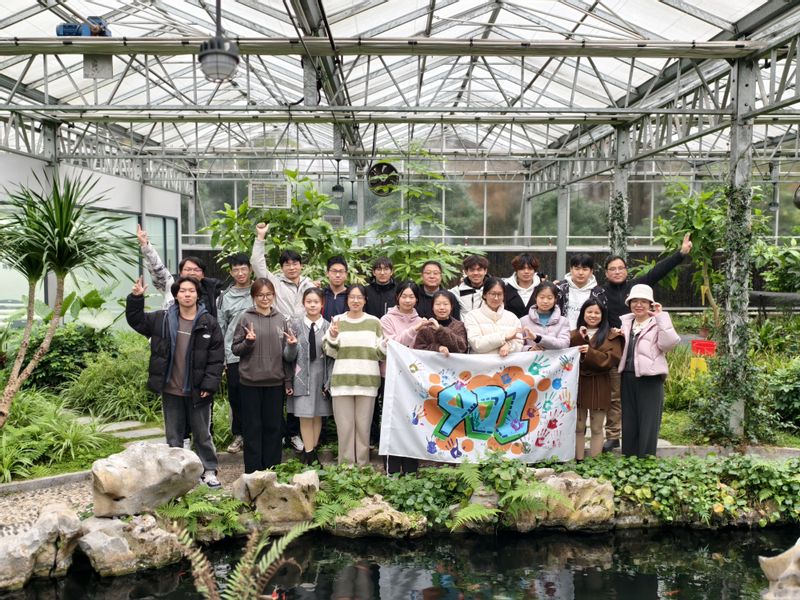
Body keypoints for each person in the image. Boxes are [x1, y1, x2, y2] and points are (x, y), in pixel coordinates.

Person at [126, 275, 223, 488]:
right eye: (182, 291)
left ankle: (209, 470)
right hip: (171, 387)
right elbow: (136, 320)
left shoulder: (208, 323)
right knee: (174, 436)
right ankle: (177, 476)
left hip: (198, 389)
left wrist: (209, 385)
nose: (187, 294)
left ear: (197, 295)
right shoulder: (162, 319)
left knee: (202, 434)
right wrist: (136, 298)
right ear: (176, 295)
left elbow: (216, 358)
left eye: (191, 291)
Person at [600, 233, 692, 452]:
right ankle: (614, 436)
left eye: (620, 268)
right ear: (606, 273)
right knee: (615, 399)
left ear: (626, 270)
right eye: (612, 269)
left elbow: (657, 271)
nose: (617, 272)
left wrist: (680, 254)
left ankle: (644, 452)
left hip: (644, 357)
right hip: (616, 351)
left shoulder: (637, 287)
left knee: (643, 408)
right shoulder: (600, 292)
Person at [250, 222, 314, 453]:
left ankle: (295, 433)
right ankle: (279, 433)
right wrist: (260, 238)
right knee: (279, 386)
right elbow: (257, 264)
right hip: (279, 338)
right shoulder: (275, 282)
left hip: (305, 339)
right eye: (287, 264)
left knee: (300, 385)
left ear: (301, 265)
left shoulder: (309, 284)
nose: (291, 267)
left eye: (295, 263)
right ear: (282, 267)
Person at [231, 278, 291, 473]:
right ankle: (253, 471)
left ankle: (272, 470)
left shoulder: (281, 319)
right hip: (250, 382)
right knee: (252, 428)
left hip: (275, 381)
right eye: (260, 295)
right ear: (253, 297)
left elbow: (286, 354)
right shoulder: (245, 318)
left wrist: (287, 380)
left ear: (273, 296)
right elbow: (235, 349)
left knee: (273, 427)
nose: (265, 299)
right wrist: (248, 342)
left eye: (268, 295)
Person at [323, 285, 386, 466]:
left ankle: (363, 465)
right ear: (347, 299)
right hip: (342, 381)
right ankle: (346, 466)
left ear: (365, 300)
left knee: (363, 427)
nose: (356, 301)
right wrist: (333, 336)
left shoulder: (374, 322)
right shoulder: (337, 320)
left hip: (367, 381)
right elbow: (329, 351)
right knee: (345, 427)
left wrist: (385, 346)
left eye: (360, 297)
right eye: (352, 297)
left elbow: (380, 354)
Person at [618, 284, 680, 458]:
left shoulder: (657, 323)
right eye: (635, 301)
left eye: (643, 301)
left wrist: (661, 318)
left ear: (650, 304)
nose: (639, 305)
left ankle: (646, 460)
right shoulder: (626, 323)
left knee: (649, 422)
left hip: (651, 379)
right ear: (629, 303)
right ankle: (629, 459)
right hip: (627, 376)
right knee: (629, 421)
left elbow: (669, 344)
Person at [380, 281, 427, 475]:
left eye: (412, 296)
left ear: (417, 299)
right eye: (404, 296)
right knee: (392, 419)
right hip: (391, 376)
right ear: (397, 297)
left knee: (413, 418)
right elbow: (392, 344)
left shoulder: (421, 320)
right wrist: (414, 330)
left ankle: (410, 466)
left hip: (413, 379)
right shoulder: (386, 319)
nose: (408, 300)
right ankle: (391, 467)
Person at [284, 288, 333, 466]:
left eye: (316, 302)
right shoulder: (294, 326)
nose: (312, 305)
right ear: (303, 304)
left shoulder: (329, 327)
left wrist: (329, 381)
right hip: (301, 378)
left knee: (318, 415)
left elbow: (332, 357)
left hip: (321, 377)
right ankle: (311, 455)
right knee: (305, 416)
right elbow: (288, 357)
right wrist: (291, 346)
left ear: (322, 304)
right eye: (309, 301)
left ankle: (310, 451)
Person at [569, 299, 623, 459]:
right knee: (579, 427)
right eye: (589, 312)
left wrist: (590, 352)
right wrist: (580, 337)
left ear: (603, 315)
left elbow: (611, 359)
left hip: (601, 384)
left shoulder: (612, 335)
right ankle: (578, 460)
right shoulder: (573, 334)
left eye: (597, 312)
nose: (593, 315)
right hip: (579, 384)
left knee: (597, 427)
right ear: (583, 314)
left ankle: (594, 462)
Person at [136, 224, 222, 317]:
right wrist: (145, 246)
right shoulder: (170, 284)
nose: (192, 272)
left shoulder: (213, 290)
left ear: (203, 274)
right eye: (187, 269)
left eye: (196, 270)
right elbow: (157, 268)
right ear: (180, 273)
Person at [216, 253, 253, 455]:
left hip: (258, 354)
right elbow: (221, 328)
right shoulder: (224, 297)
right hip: (233, 355)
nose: (240, 273)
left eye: (243, 268)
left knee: (257, 396)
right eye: (236, 270)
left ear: (250, 269)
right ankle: (239, 435)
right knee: (236, 396)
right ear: (231, 272)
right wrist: (222, 358)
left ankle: (256, 434)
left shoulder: (259, 290)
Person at [463, 277, 523, 356]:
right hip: (480, 363)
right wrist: (504, 337)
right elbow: (476, 344)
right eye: (492, 294)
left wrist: (509, 346)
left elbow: (519, 343)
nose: (496, 298)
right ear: (484, 295)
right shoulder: (472, 316)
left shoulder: (512, 317)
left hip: (506, 363)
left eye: (499, 294)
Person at [556, 254, 605, 330]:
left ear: (591, 271)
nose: (580, 273)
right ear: (571, 269)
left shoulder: (599, 293)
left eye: (585, 269)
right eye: (577, 269)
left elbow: (603, 318)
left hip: (588, 334)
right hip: (560, 333)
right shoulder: (560, 288)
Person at [413, 290, 468, 357]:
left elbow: (462, 348)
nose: (442, 307)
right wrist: (437, 348)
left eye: (445, 304)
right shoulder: (426, 327)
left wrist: (440, 330)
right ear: (432, 307)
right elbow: (418, 349)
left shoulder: (459, 325)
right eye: (438, 304)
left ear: (451, 307)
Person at [520, 281, 571, 351]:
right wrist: (529, 349)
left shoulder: (563, 321)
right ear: (535, 297)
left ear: (555, 299)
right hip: (532, 358)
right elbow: (518, 345)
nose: (545, 301)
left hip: (554, 358)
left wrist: (538, 338)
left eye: (549, 298)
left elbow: (564, 344)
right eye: (542, 297)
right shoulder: (523, 321)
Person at [504, 253, 545, 319]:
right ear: (516, 270)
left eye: (530, 268)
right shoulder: (505, 289)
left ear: (534, 270)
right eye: (522, 268)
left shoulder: (543, 288)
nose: (526, 271)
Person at [322, 256, 349, 322]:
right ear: (327, 273)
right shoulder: (321, 294)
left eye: (341, 271)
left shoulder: (351, 296)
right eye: (334, 271)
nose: (337, 275)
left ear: (346, 274)